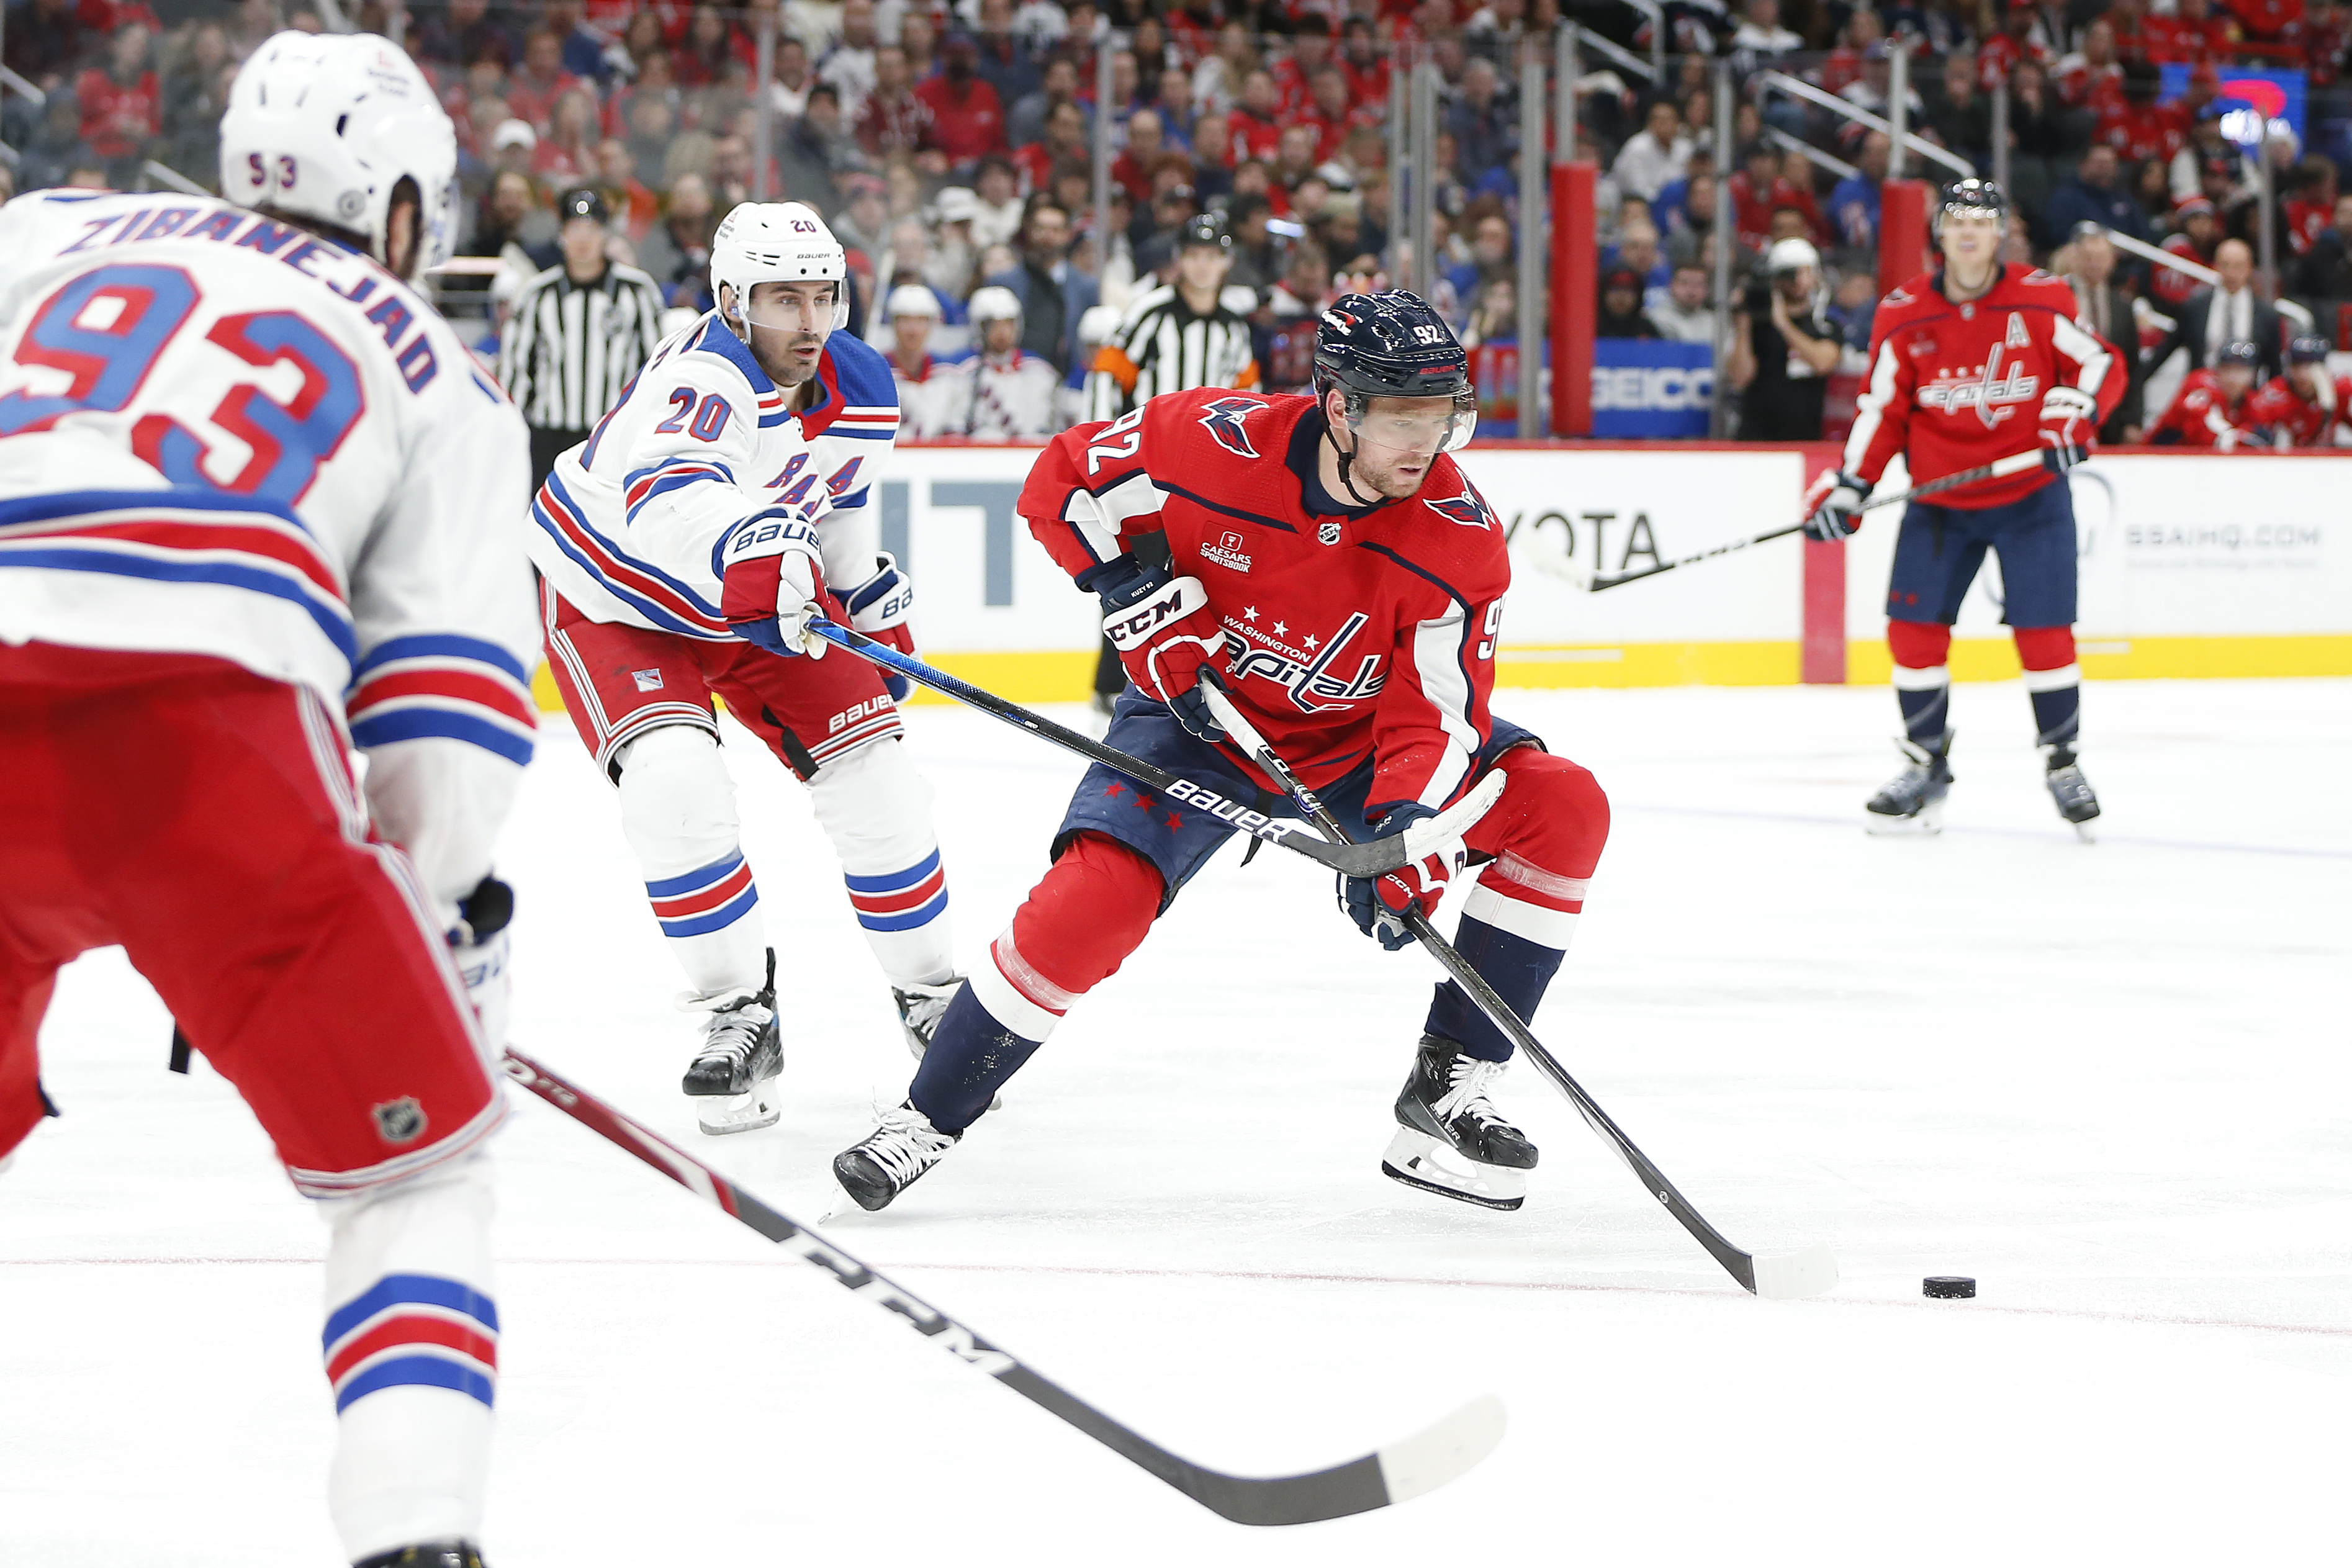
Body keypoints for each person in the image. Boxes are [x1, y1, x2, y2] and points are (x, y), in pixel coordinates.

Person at [0, 33, 537, 1568]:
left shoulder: (46, 232)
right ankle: (414, 1531)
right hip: (202, 749)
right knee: (414, 1171)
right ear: (403, 206)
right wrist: (416, 923)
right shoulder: (437, 366)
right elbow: (441, 736)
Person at [829, 292, 1613, 1216]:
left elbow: (1436, 716)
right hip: (1197, 722)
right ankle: (928, 1116)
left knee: (1563, 804)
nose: (1424, 443)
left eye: (1441, 417)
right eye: (1401, 417)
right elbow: (1064, 482)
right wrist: (1130, 591)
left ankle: (1447, 1085)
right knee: (1095, 900)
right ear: (1338, 405)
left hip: (1359, 749)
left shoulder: (1459, 535)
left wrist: (1406, 833)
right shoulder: (1210, 440)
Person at [525, 202, 960, 1136]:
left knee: (878, 776)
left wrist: (861, 588)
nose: (807, 323)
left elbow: (836, 502)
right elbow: (672, 495)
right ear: (731, 300)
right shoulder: (702, 378)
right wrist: (751, 543)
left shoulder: (863, 384)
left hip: (750, 596)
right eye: (781, 299)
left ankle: (934, 1000)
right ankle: (740, 1011)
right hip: (615, 592)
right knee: (675, 784)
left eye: (822, 297)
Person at [1807, 180, 2122, 837]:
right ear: (1941, 235)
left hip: (2030, 497)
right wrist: (1850, 486)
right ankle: (1925, 763)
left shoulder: (2042, 297)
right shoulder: (1905, 312)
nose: (1970, 232)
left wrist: (2075, 413)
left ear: (2001, 232)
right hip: (1939, 502)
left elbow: (2097, 364)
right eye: (1957, 221)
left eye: (1983, 221)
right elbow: (1881, 411)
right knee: (1913, 636)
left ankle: (2062, 762)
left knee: (2045, 636)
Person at [498, 187, 669, 488]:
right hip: (549, 437)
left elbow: (657, 368)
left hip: (615, 435)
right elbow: (517, 371)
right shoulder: (537, 295)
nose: (583, 239)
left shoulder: (638, 291)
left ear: (606, 234)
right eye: (574, 229)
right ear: (561, 234)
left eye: (591, 229)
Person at [1729, 237, 1839, 440]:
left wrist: (1783, 324)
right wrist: (1743, 326)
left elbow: (1823, 363)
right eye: (1789, 273)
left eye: (1804, 272)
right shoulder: (1757, 322)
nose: (1797, 280)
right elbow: (1739, 378)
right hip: (1755, 436)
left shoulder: (1824, 324)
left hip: (1805, 436)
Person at [2147, 238, 2287, 384]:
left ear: (2249, 268)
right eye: (2225, 265)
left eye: (2238, 266)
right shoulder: (2194, 308)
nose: (2231, 273)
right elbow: (2165, 351)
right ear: (2216, 266)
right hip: (2203, 393)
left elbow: (2275, 371)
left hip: (2246, 399)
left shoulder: (2267, 316)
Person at [2058, 222, 2145, 442]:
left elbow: (2133, 367)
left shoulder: (2123, 306)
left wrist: (2134, 420)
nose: (2095, 264)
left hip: (2114, 414)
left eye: (2102, 257)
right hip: (2068, 404)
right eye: (2089, 257)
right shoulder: (2060, 299)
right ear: (2075, 259)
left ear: (2112, 261)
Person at [945, 286, 1063, 440]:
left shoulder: (1041, 371)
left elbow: (1054, 426)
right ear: (978, 327)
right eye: (993, 325)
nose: (1003, 332)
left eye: (1009, 323)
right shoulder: (960, 371)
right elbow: (953, 428)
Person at [2146, 338, 2263, 447]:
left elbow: (2261, 435)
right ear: (2217, 370)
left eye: (2241, 370)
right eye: (2227, 369)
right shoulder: (2200, 384)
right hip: (2161, 456)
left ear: (2253, 374)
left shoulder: (2251, 401)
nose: (2233, 378)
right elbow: (2202, 434)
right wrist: (2240, 438)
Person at [882, 282, 961, 440]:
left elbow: (955, 429)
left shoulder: (949, 374)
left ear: (933, 325)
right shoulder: (876, 374)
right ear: (893, 324)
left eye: (921, 321)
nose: (913, 330)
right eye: (905, 320)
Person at [2243, 335, 2351, 447]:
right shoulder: (2274, 395)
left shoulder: (2341, 389)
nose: (2302, 374)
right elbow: (2254, 435)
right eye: (2296, 366)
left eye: (2309, 366)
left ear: (2322, 368)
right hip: (2287, 460)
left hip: (2327, 458)